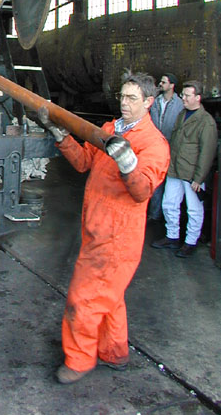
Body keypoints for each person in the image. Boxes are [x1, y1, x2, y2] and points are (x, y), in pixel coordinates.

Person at [38, 71, 169, 384]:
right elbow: (84, 162)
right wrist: (62, 136)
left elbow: (141, 192)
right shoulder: (111, 129)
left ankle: (79, 360)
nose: (124, 103)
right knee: (110, 296)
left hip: (116, 238)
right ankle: (114, 351)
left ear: (149, 102)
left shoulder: (154, 144)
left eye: (132, 99)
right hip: (96, 228)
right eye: (122, 96)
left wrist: (128, 163)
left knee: (82, 299)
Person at [152, 80, 218, 258]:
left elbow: (207, 152)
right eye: (183, 95)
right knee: (169, 204)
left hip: (192, 174)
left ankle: (190, 242)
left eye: (187, 95)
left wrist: (199, 178)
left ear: (198, 97)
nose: (184, 98)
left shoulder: (206, 122)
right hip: (175, 169)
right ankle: (172, 236)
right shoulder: (182, 115)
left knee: (194, 209)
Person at [148, 73, 183, 220]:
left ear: (172, 85)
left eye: (163, 82)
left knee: (170, 182)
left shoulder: (180, 104)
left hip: (171, 146)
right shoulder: (155, 102)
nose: (160, 84)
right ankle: (154, 214)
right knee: (155, 180)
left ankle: (166, 216)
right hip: (155, 146)